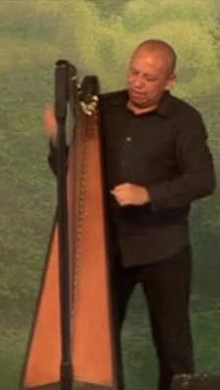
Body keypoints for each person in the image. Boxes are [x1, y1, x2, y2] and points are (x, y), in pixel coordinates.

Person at [44, 40, 216, 390]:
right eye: (133, 72)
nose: (137, 82)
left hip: (163, 249)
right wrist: (56, 138)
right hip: (108, 248)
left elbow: (203, 180)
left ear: (170, 81)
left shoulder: (185, 120)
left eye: (149, 77)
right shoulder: (102, 111)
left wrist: (149, 194)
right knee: (97, 349)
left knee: (174, 350)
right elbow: (68, 170)